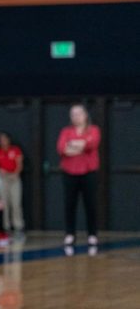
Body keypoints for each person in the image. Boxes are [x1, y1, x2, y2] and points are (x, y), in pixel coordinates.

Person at [57, 103, 100, 247]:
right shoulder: (66, 131)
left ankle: (92, 234)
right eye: (73, 114)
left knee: (90, 204)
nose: (76, 117)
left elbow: (90, 145)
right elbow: (62, 148)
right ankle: (70, 234)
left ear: (85, 115)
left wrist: (75, 145)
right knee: (70, 204)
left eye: (78, 113)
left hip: (89, 171)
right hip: (69, 172)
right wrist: (78, 146)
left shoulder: (93, 130)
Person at [0, 131, 24, 234]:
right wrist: (0, 171)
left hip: (14, 178)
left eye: (4, 139)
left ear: (8, 139)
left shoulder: (15, 150)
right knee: (4, 202)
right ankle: (6, 226)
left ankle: (18, 226)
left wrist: (15, 174)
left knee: (16, 202)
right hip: (3, 179)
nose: (2, 141)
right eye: (0, 140)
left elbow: (19, 164)